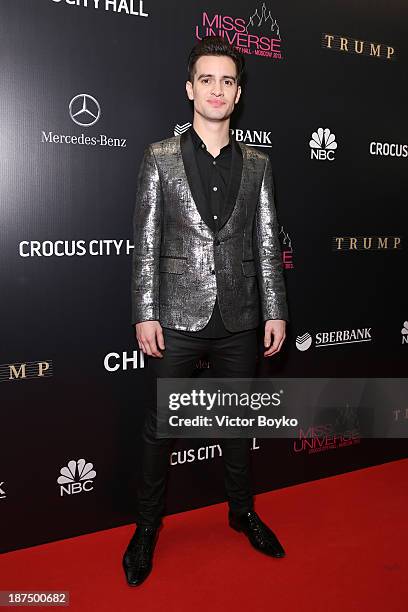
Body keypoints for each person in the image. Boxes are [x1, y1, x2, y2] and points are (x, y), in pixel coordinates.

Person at [123, 35, 289, 587]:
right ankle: (147, 527)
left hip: (241, 316)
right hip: (176, 315)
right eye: (207, 79)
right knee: (161, 428)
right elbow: (145, 241)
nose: (217, 89)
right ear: (189, 88)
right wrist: (145, 311)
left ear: (238, 94)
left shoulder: (260, 165)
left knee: (237, 422)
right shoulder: (160, 158)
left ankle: (241, 512)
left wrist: (277, 311)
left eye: (228, 81)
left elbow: (266, 243)